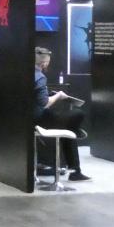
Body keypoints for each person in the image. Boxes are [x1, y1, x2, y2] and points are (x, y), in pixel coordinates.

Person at [34, 46, 90, 182]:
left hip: (29, 117)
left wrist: (48, 93)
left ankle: (75, 170)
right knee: (78, 114)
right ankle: (75, 169)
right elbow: (44, 103)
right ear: (44, 63)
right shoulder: (39, 77)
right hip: (39, 119)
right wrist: (58, 95)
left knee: (68, 127)